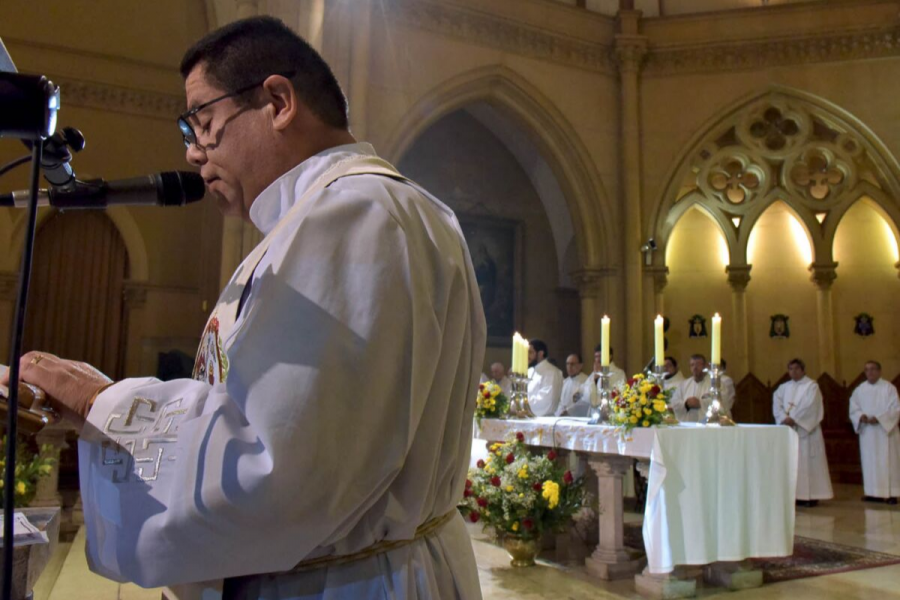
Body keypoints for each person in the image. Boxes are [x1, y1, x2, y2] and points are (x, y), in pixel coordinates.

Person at [1, 17, 486, 600]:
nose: (191, 149)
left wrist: (102, 400)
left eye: (203, 122)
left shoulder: (354, 214)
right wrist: (102, 410)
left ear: (278, 101)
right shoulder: (330, 218)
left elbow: (280, 467)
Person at [773, 358, 833, 507]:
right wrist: (783, 418)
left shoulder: (811, 386)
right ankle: (795, 495)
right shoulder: (783, 388)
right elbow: (777, 405)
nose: (793, 371)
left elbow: (811, 406)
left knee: (808, 463)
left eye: (796, 369)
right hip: (789, 430)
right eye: (790, 369)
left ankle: (811, 496)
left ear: (803, 370)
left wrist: (795, 419)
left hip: (806, 431)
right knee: (792, 463)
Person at [849, 360, 900, 504]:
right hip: (868, 434)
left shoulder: (888, 388)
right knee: (870, 462)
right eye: (867, 370)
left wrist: (879, 418)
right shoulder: (860, 389)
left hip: (885, 432)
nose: (869, 372)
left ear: (879, 371)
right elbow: (854, 408)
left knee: (887, 462)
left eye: (872, 369)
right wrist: (861, 416)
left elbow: (895, 409)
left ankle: (890, 494)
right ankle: (872, 492)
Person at [526, 339, 563, 416]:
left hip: (543, 418)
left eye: (530, 352)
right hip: (529, 415)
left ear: (540, 353)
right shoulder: (530, 371)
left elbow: (545, 400)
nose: (527, 355)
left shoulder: (551, 372)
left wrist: (521, 404)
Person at [670, 354, 711, 423]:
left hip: (707, 425)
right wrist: (686, 404)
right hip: (688, 424)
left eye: (698, 364)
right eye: (692, 365)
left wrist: (701, 403)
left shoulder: (713, 384)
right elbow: (675, 403)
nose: (695, 367)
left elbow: (721, 404)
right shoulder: (684, 384)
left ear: (705, 366)